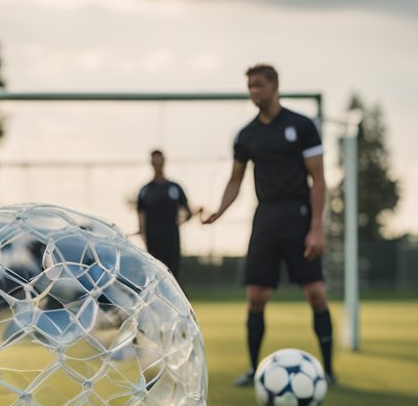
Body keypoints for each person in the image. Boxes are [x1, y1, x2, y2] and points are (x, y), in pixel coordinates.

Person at [202, 64, 336, 386]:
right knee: (256, 296)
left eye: (259, 86)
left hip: (299, 214)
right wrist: (219, 211)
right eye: (250, 87)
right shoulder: (246, 135)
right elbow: (236, 180)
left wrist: (316, 226)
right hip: (265, 217)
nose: (254, 92)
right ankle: (252, 369)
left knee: (315, 293)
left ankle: (329, 371)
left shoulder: (301, 126)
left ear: (275, 86)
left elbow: (318, 179)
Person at [136, 149, 200, 280]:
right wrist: (142, 233)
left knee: (172, 274)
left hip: (171, 239)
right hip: (153, 239)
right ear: (151, 163)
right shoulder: (145, 190)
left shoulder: (175, 187)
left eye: (159, 159)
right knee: (155, 274)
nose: (157, 163)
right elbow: (141, 217)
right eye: (154, 160)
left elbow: (188, 212)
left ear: (163, 161)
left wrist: (182, 220)